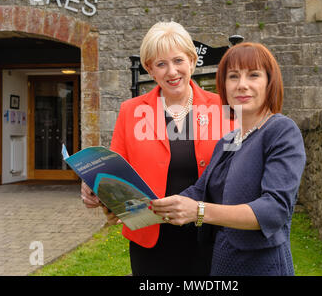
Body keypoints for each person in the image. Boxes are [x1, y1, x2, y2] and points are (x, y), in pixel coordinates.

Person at [81, 21, 231, 276]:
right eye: (161, 64)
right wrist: (95, 188)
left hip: (210, 237)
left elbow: (236, 171)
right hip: (151, 240)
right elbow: (116, 172)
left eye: (178, 61)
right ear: (150, 69)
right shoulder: (131, 111)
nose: (172, 71)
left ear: (192, 61)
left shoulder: (221, 107)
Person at [151, 42, 306, 276]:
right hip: (224, 261)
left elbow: (274, 209)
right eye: (233, 77)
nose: (242, 85)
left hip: (262, 265)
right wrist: (145, 209)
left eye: (253, 75)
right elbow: (199, 190)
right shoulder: (229, 140)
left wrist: (200, 211)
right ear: (224, 86)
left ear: (269, 82)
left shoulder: (281, 131)